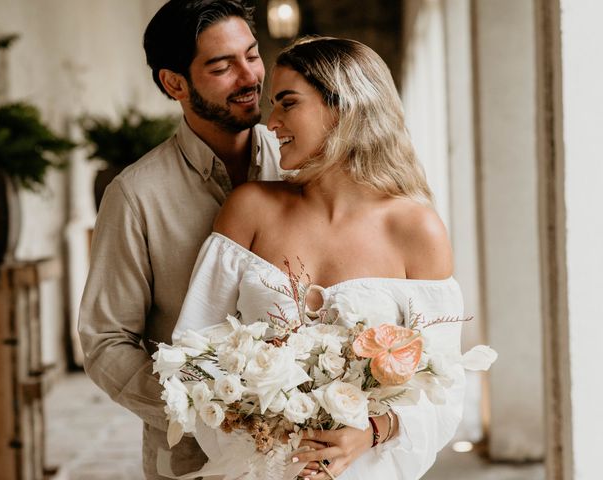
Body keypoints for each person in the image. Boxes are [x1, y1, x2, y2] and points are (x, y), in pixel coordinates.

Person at [173, 37, 466, 480]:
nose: (270, 123)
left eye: (287, 103)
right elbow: (192, 354)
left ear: (345, 107)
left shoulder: (416, 230)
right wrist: (267, 444)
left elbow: (444, 390)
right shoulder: (249, 208)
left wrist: (368, 432)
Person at [78, 1, 281, 478]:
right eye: (221, 65)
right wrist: (202, 413)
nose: (250, 76)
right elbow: (106, 341)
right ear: (175, 83)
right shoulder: (133, 195)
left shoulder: (303, 164)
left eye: (251, 55)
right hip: (193, 461)